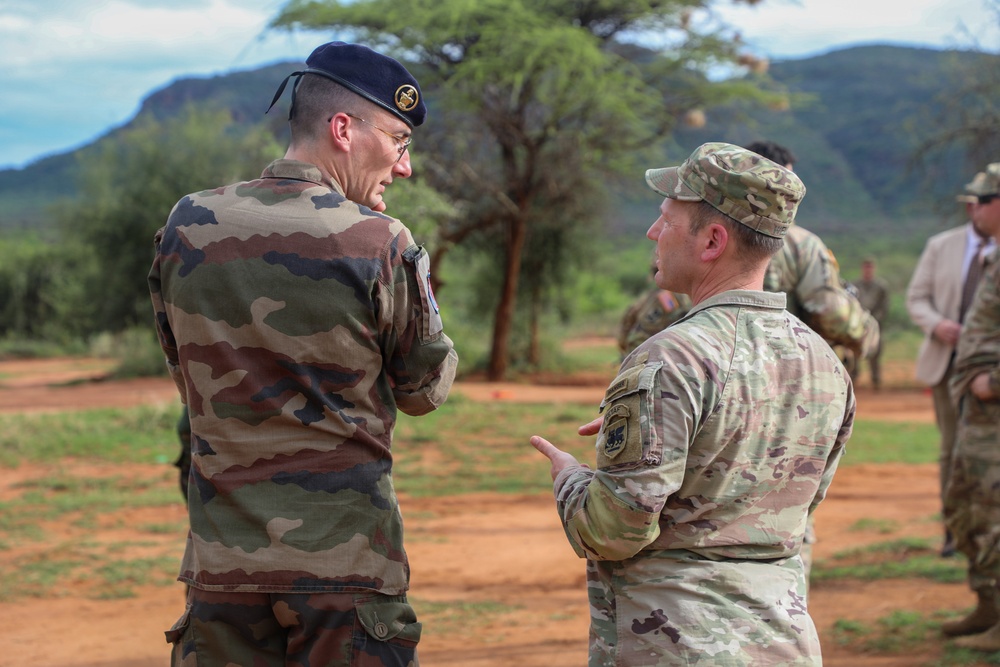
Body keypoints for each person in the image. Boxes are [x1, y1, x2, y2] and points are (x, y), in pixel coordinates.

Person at [149, 41, 459, 666]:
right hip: (345, 573)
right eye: (399, 141)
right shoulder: (381, 240)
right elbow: (425, 390)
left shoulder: (188, 222)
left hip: (221, 572)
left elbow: (184, 368)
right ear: (343, 129)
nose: (404, 167)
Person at [530, 142, 855, 666]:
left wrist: (569, 478)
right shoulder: (824, 363)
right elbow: (790, 504)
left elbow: (613, 530)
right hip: (781, 642)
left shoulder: (670, 358)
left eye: (666, 219)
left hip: (675, 642)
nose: (652, 233)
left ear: (712, 240)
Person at [746, 139, 876, 583]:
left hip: (710, 392)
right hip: (788, 401)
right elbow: (833, 315)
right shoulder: (801, 244)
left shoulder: (698, 233)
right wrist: (867, 331)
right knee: (786, 516)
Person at [907, 172, 997, 558]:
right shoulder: (942, 246)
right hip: (949, 366)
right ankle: (955, 531)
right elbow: (916, 297)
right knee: (952, 448)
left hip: (989, 372)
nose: (973, 207)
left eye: (980, 200)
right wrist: (937, 324)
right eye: (970, 201)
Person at [938, 163, 1000, 649]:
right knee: (966, 504)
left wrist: (993, 381)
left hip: (992, 406)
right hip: (978, 412)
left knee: (994, 510)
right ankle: (987, 604)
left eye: (982, 199)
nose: (974, 208)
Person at [616, 259, 691, 358]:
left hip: (638, 347)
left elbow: (628, 319)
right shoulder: (667, 296)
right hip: (651, 349)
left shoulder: (649, 296)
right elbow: (676, 319)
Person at [850, 258, 891, 390]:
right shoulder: (854, 285)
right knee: (854, 351)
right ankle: (853, 380)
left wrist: (873, 320)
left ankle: (876, 381)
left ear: (873, 269)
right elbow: (850, 303)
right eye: (866, 268)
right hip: (857, 324)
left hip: (875, 324)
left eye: (870, 268)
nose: (868, 270)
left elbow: (884, 306)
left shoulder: (881, 286)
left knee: (875, 351)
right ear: (862, 269)